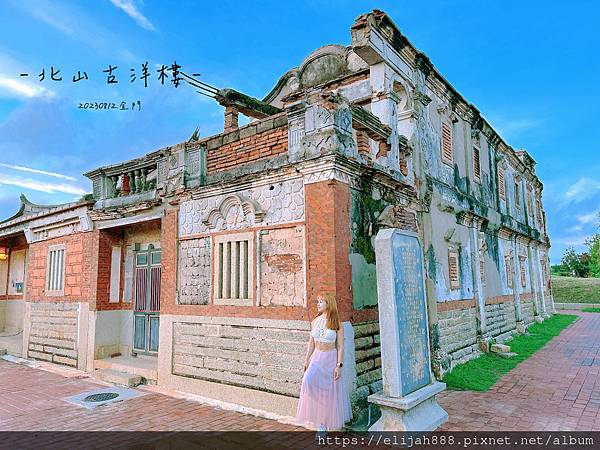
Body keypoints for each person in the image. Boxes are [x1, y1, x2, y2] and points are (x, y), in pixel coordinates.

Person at [296, 293, 352, 432]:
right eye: (318, 301)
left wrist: (339, 365)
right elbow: (311, 343)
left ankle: (323, 424)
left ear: (329, 303)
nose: (318, 304)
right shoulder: (315, 321)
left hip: (330, 359)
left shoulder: (336, 323)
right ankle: (318, 417)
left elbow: (340, 346)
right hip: (316, 358)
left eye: (321, 301)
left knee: (328, 393)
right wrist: (306, 359)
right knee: (307, 381)